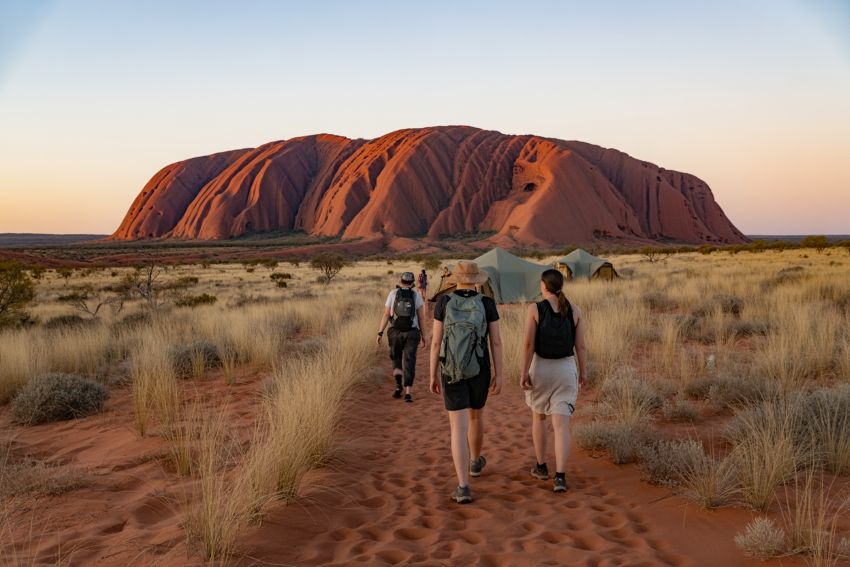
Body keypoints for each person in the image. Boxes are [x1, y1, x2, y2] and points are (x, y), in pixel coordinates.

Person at [429, 261, 503, 504]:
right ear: (476, 280)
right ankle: (475, 463)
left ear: (455, 280)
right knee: (475, 417)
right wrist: (499, 374)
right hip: (479, 369)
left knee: (456, 429)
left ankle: (463, 486)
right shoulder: (486, 303)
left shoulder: (444, 302)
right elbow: (496, 342)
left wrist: (432, 374)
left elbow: (436, 343)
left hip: (450, 370)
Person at [520, 269, 586, 493]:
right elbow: (581, 347)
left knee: (539, 418)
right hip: (566, 370)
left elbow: (529, 344)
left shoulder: (535, 309)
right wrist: (583, 372)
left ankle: (541, 467)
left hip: (541, 368)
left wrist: (523, 372)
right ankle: (560, 477)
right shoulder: (575, 310)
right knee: (561, 425)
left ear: (544, 285)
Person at [377, 272, 427, 402]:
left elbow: (386, 314)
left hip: (395, 331)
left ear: (401, 281)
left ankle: (398, 386)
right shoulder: (416, 295)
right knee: (409, 360)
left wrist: (380, 332)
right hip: (412, 332)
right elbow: (421, 317)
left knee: (396, 358)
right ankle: (408, 393)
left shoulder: (393, 294)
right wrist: (424, 336)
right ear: (412, 283)